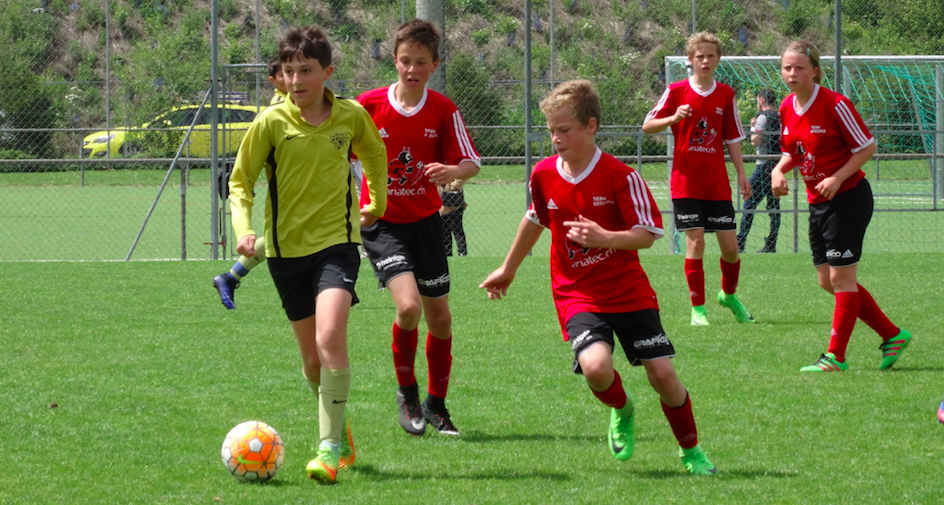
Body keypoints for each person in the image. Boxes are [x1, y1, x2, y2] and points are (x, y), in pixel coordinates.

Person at [480, 80, 718, 475]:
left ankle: (691, 450)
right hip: (577, 293)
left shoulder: (620, 176)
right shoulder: (543, 174)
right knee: (595, 368)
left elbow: (648, 234)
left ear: (590, 126)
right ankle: (622, 408)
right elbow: (535, 218)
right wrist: (508, 268)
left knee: (663, 375)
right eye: (551, 131)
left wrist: (605, 237)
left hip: (628, 291)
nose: (556, 138)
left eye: (564, 129)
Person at [228, 24, 388, 483]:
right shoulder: (270, 122)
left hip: (338, 245)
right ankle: (339, 427)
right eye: (290, 71)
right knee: (313, 362)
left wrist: (376, 202)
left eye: (306, 71)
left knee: (330, 336)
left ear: (327, 72)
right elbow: (240, 182)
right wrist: (243, 230)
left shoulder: (350, 116)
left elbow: (374, 154)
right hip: (285, 254)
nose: (296, 80)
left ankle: (328, 449)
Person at [356, 19, 481, 437]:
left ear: (434, 65)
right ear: (394, 60)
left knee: (440, 319)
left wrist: (452, 170)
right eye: (405, 60)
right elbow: (335, 151)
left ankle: (436, 405)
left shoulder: (443, 110)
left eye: (421, 62)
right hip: (382, 224)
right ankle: (407, 393)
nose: (412, 69)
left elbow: (472, 163)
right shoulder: (368, 106)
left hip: (427, 224)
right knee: (408, 308)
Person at [770, 40, 912, 373]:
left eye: (799, 67)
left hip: (848, 198)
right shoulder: (787, 106)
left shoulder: (835, 104)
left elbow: (866, 146)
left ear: (815, 71)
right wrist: (778, 170)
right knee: (826, 280)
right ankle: (892, 335)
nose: (792, 73)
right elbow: (793, 152)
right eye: (787, 67)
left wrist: (836, 177)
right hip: (818, 203)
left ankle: (835, 357)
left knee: (842, 279)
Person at [642, 32, 754, 327]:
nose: (705, 60)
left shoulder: (726, 94)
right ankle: (698, 310)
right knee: (696, 243)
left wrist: (742, 174)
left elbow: (733, 138)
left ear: (718, 60)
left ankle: (728, 295)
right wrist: (673, 118)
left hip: (716, 183)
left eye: (710, 56)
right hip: (686, 182)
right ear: (690, 60)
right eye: (699, 56)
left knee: (731, 248)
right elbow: (647, 126)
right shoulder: (676, 91)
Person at [211, 57, 289, 309]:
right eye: (286, 73)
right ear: (274, 81)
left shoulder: (305, 105)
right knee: (279, 239)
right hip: (288, 193)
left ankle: (230, 277)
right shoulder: (279, 110)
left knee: (280, 238)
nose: (294, 78)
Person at [737, 88, 781, 253]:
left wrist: (753, 128)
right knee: (774, 207)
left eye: (757, 100)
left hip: (764, 166)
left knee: (749, 202)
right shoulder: (779, 116)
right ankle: (771, 243)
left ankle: (740, 242)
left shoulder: (763, 117)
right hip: (777, 166)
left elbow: (755, 140)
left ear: (762, 100)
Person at [439, 178, 468, 256]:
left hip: (454, 202)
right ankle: (447, 252)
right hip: (440, 204)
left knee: (456, 228)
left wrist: (451, 187)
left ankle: (462, 252)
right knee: (444, 230)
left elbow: (461, 179)